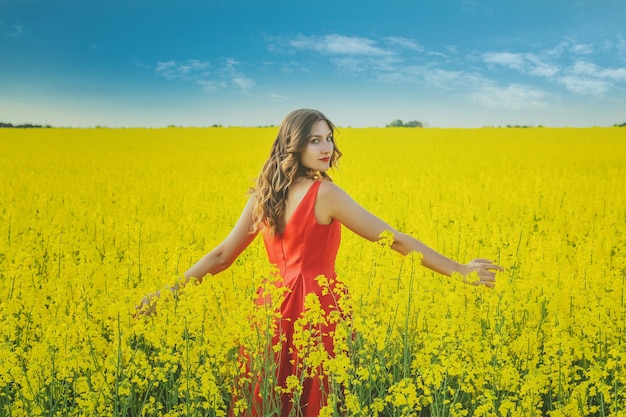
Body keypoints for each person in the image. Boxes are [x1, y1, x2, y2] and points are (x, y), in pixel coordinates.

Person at [137, 108, 502, 416]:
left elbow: (220, 257)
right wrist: (461, 271)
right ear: (293, 145)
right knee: (315, 400)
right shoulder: (325, 193)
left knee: (270, 395)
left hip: (271, 307)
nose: (326, 147)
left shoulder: (262, 197)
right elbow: (394, 238)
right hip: (318, 305)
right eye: (315, 140)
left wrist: (167, 293)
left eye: (328, 138)